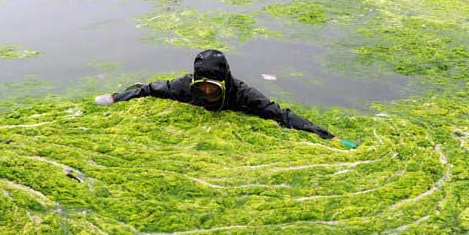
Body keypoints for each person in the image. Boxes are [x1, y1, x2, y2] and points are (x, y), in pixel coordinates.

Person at [95, 49, 357, 147]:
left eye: (213, 88)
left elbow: (281, 114)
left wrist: (327, 136)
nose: (207, 93)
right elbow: (149, 88)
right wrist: (116, 98)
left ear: (224, 83)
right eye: (202, 88)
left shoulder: (243, 95)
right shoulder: (184, 86)